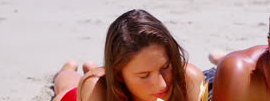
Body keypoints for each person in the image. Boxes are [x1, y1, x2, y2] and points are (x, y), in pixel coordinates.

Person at [52, 9, 206, 101]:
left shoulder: (189, 78)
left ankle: (90, 67)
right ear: (119, 74)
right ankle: (67, 69)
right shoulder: (96, 87)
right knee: (68, 84)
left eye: (166, 67)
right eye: (144, 75)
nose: (162, 84)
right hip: (80, 97)